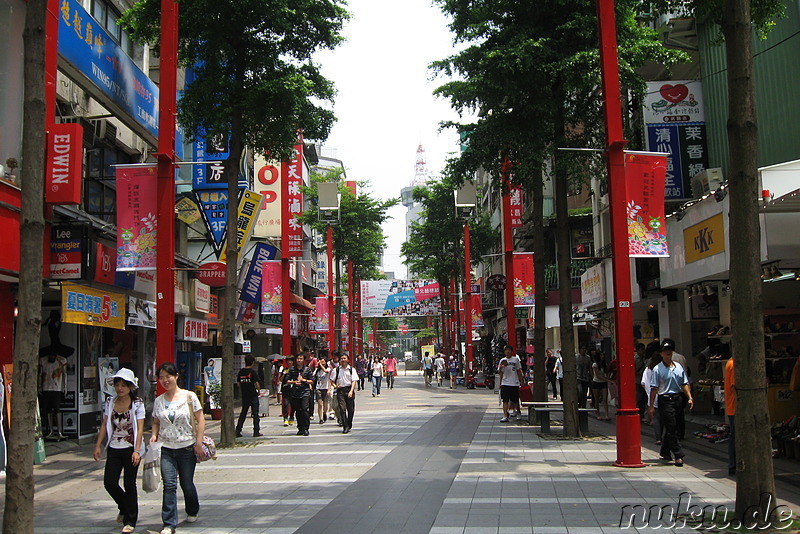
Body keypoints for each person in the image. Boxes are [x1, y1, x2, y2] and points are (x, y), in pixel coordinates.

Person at [151, 363, 205, 534]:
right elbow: (156, 422)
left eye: (168, 376)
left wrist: (198, 442)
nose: (165, 380)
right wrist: (154, 435)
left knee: (186, 483)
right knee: (169, 484)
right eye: (161, 377)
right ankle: (169, 523)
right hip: (166, 447)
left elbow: (201, 419)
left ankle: (192, 509)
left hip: (187, 447)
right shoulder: (159, 401)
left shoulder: (189, 397)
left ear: (176, 376)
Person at [93, 368, 145, 534]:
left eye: (124, 385)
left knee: (129, 484)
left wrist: (137, 450)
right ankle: (124, 506)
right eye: (117, 385)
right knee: (109, 482)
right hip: (114, 446)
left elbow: (140, 428)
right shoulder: (110, 402)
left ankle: (131, 520)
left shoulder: (137, 404)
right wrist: (98, 445)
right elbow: (104, 424)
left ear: (130, 387)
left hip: (131, 448)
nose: (120, 388)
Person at [649, 340, 693, 467]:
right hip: (665, 400)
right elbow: (654, 388)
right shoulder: (657, 369)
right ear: (661, 353)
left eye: (670, 351)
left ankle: (665, 451)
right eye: (665, 351)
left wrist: (689, 397)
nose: (668, 353)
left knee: (676, 427)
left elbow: (684, 383)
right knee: (671, 427)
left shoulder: (678, 367)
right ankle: (678, 455)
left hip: (677, 399)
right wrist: (651, 406)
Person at [662, 337, 689, 439]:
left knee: (671, 415)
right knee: (680, 413)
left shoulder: (667, 359)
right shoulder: (681, 357)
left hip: (670, 390)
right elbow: (685, 373)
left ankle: (673, 433)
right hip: (681, 389)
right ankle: (680, 432)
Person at [39, 350, 68, 439]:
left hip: (57, 388)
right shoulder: (43, 361)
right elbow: (40, 374)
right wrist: (39, 386)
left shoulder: (61, 361)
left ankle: (59, 431)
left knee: (57, 409)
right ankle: (51, 430)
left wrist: (65, 386)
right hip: (46, 387)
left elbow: (65, 374)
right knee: (47, 409)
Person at [285, 354, 313, 436]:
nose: (299, 360)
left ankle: (306, 428)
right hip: (295, 392)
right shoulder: (292, 369)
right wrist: (294, 382)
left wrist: (304, 380)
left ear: (304, 360)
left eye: (301, 358)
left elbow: (312, 381)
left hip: (305, 392)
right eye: (298, 358)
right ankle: (300, 428)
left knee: (304, 409)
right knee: (298, 410)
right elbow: (287, 380)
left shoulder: (307, 370)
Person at [235, 355, 262, 438]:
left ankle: (238, 430)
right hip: (253, 395)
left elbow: (238, 384)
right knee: (255, 414)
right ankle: (256, 431)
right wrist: (258, 391)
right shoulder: (252, 372)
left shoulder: (241, 372)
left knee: (243, 413)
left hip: (245, 395)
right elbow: (257, 384)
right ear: (253, 362)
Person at [331, 354, 358, 433]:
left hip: (349, 389)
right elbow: (331, 381)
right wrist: (335, 386)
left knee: (351, 409)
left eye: (344, 358)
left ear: (348, 360)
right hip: (340, 391)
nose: (343, 360)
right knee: (342, 409)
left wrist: (351, 391)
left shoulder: (351, 370)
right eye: (341, 358)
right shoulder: (336, 370)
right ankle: (345, 426)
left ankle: (349, 423)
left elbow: (354, 381)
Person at [642, 348, 664, 444]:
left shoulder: (648, 369)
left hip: (652, 397)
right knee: (664, 418)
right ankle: (664, 436)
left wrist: (647, 390)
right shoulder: (662, 369)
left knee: (656, 418)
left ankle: (658, 437)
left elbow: (643, 382)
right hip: (663, 396)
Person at [498, 345, 524, 422]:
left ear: (511, 351)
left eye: (509, 350)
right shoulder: (502, 360)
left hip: (514, 383)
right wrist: (501, 367)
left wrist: (521, 381)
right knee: (505, 400)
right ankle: (505, 415)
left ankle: (518, 412)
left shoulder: (515, 360)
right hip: (505, 383)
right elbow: (500, 372)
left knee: (515, 400)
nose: (508, 351)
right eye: (506, 350)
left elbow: (519, 371)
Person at [724, 354, 736, 476]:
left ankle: (733, 465)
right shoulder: (735, 364)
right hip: (736, 407)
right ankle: (734, 465)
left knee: (734, 436)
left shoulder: (730, 362)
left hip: (732, 407)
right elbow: (734, 386)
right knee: (736, 436)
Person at [591, 352, 610, 420]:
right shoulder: (595, 365)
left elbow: (607, 372)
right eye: (601, 355)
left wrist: (608, 378)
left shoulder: (605, 364)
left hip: (603, 383)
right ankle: (598, 414)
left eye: (603, 355)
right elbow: (597, 375)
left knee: (605, 399)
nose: (602, 357)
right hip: (596, 382)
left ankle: (606, 414)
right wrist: (607, 379)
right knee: (596, 399)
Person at [314, 357, 330, 424]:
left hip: (325, 388)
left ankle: (324, 413)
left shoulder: (328, 369)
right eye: (321, 361)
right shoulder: (317, 370)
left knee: (325, 404)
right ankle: (320, 418)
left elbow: (326, 371)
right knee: (320, 404)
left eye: (323, 361)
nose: (322, 363)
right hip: (318, 388)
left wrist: (329, 389)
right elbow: (313, 376)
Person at [634, 343, 648, 417]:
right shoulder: (634, 359)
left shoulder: (645, 358)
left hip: (645, 382)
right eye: (641, 349)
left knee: (644, 398)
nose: (643, 351)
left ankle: (642, 414)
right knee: (639, 398)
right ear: (637, 350)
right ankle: (639, 413)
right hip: (638, 381)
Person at [280, 358, 294, 427]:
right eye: (288, 361)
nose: (289, 362)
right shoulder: (285, 369)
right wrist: (283, 374)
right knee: (286, 404)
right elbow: (280, 379)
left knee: (293, 404)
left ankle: (291, 417)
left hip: (293, 389)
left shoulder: (295, 370)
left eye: (291, 361)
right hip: (285, 389)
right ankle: (285, 418)